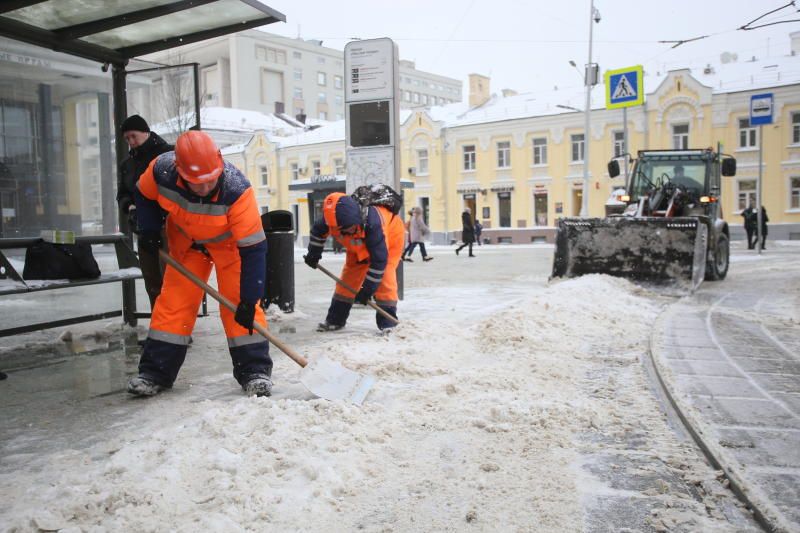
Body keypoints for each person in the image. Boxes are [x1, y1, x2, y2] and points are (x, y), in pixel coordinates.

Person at [127, 130, 273, 397]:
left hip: (231, 246)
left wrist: (249, 299)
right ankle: (154, 372)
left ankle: (254, 371)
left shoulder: (237, 190)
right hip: (187, 241)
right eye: (196, 183)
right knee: (173, 304)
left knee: (240, 305)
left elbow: (254, 249)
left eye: (209, 180)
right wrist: (148, 229)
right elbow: (143, 194)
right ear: (179, 172)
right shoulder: (161, 170)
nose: (205, 187)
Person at [304, 191, 404, 332]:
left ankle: (388, 324)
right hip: (358, 245)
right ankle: (335, 320)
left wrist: (366, 290)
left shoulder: (374, 224)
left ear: (357, 219)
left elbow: (379, 262)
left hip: (390, 238)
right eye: (341, 230)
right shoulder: (331, 220)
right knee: (348, 279)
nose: (343, 232)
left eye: (349, 228)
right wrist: (313, 254)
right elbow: (317, 233)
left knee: (385, 279)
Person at [117, 114, 173, 310]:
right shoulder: (128, 165)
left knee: (170, 280)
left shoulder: (167, 155)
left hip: (167, 226)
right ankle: (160, 328)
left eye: (133, 136)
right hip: (142, 228)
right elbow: (123, 194)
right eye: (127, 139)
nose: (131, 142)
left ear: (146, 132)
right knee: (151, 281)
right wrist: (130, 208)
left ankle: (176, 328)